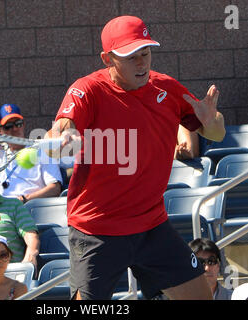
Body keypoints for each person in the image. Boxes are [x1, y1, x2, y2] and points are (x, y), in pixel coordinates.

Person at [45, 15, 226, 300]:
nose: (142, 63)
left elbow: (216, 134)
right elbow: (61, 129)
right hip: (97, 229)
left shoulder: (167, 89)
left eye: (146, 53)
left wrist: (210, 121)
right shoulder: (88, 89)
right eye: (131, 57)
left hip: (151, 224)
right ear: (108, 59)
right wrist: (62, 136)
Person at [0, 104, 63, 203]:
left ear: (23, 124)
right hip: (1, 211)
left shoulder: (42, 151)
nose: (14, 129)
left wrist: (26, 199)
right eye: (8, 126)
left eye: (18, 123)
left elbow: (55, 188)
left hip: (32, 208)